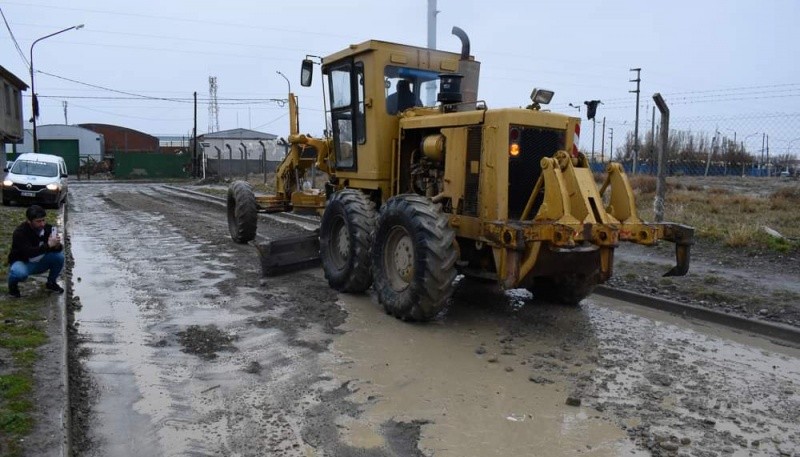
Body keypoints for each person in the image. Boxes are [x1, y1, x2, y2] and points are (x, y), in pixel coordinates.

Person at [7, 205, 65, 297]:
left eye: (43, 220)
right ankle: (12, 287)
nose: (42, 224)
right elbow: (29, 252)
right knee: (19, 273)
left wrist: (56, 245)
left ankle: (51, 283)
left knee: (59, 257)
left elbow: (57, 249)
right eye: (38, 221)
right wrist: (48, 245)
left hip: (40, 262)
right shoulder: (20, 232)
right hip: (23, 262)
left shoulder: (47, 228)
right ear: (29, 221)